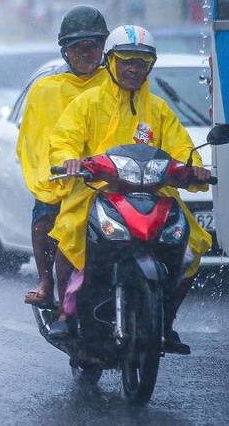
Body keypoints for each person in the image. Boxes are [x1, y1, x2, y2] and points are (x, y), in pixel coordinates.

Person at [47, 25, 212, 354]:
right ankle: (66, 312)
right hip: (96, 191)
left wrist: (194, 169)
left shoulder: (160, 110)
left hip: (153, 194)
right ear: (110, 62)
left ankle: (164, 321)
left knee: (193, 244)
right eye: (126, 61)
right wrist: (69, 161)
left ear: (150, 65)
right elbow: (63, 140)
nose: (134, 69)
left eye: (141, 62)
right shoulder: (87, 103)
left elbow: (182, 151)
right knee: (70, 231)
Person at [16, 5, 109, 306]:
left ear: (103, 48)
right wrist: (56, 168)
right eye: (76, 47)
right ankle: (46, 281)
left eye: (92, 47)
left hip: (110, 177)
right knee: (44, 219)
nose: (85, 54)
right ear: (65, 51)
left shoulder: (117, 86)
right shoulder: (46, 90)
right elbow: (36, 139)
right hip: (65, 178)